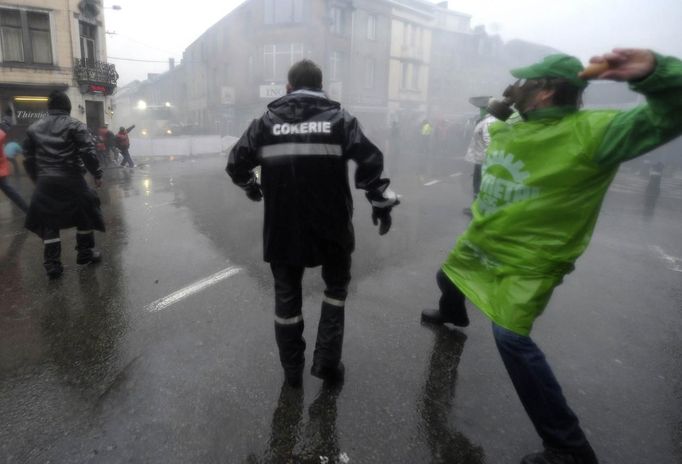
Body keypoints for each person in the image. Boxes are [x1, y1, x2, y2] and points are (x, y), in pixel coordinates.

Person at [421, 49, 682, 464]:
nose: (515, 87)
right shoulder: (517, 122)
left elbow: (672, 112)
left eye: (525, 83)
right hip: (483, 240)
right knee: (447, 277)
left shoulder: (595, 132)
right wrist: (504, 102)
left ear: (545, 93)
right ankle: (453, 312)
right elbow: (495, 112)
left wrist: (655, 73)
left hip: (531, 258)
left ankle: (569, 446)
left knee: (509, 337)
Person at [227, 59, 399, 387]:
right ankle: (327, 363)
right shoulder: (341, 120)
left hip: (282, 228)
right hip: (332, 225)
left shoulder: (265, 123)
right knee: (335, 290)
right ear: (322, 88)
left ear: (288, 88)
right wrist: (381, 202)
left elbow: (236, 164)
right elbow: (370, 161)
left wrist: (253, 187)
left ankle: (292, 372)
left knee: (287, 298)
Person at [23, 91, 105, 279]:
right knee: (86, 212)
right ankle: (85, 253)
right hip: (72, 179)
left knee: (48, 220)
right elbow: (88, 152)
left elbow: (28, 158)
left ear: (49, 108)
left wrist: (38, 179)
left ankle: (52, 264)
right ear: (68, 107)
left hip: (45, 181)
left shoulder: (34, 128)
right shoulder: (76, 125)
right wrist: (97, 174)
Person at [462, 96, 495, 216]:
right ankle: (476, 207)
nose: (479, 111)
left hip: (483, 161)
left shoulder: (489, 122)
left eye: (481, 108)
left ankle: (478, 209)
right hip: (480, 160)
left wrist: (489, 163)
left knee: (480, 185)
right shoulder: (486, 120)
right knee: (477, 184)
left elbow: (489, 142)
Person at [0, 116, 29, 213]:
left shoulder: (2, 136)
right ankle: (28, 210)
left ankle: (28, 210)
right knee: (10, 191)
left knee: (10, 191)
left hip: (2, 165)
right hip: (2, 167)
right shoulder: (3, 136)